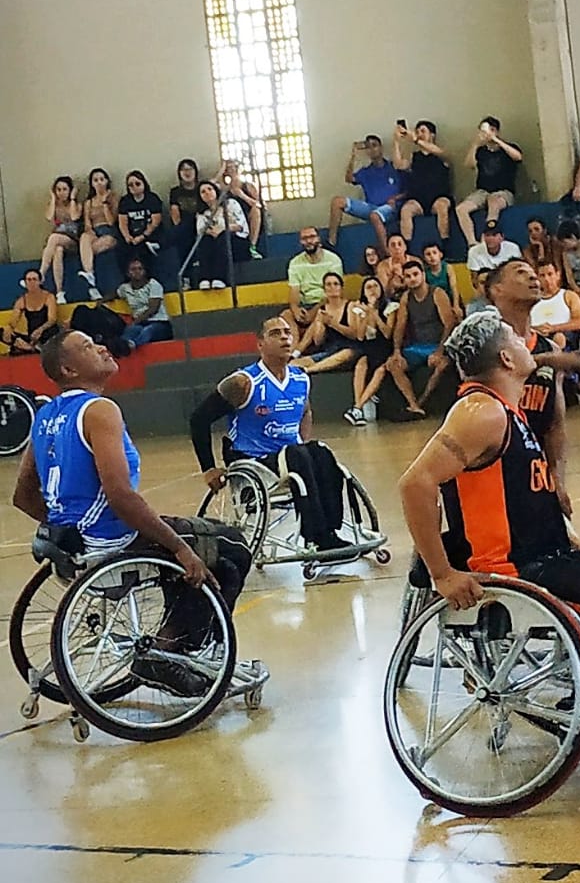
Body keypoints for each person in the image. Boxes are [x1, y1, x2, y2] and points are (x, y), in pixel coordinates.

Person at [398, 311, 580, 741]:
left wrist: (569, 539)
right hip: (513, 570)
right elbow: (415, 484)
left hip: (544, 556)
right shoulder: (480, 413)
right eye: (516, 339)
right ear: (505, 357)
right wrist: (443, 573)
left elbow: (517, 499)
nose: (525, 342)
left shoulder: (507, 411)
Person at [15, 328, 255, 696]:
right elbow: (121, 497)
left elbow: (23, 495)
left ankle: (172, 640)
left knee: (201, 538)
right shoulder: (98, 410)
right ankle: (168, 654)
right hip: (111, 540)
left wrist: (65, 526)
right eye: (87, 346)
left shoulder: (46, 413)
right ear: (68, 369)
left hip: (73, 544)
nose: (100, 345)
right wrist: (180, 549)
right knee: (229, 549)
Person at [189, 317, 355, 555]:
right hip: (253, 461)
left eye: (288, 332)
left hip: (289, 457)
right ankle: (316, 537)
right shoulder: (243, 382)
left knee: (320, 451)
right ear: (260, 344)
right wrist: (209, 468)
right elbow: (198, 419)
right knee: (298, 455)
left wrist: (302, 441)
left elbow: (306, 411)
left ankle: (331, 531)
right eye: (276, 333)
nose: (285, 337)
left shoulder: (300, 378)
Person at [488, 258, 580, 513]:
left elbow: (556, 425)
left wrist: (558, 480)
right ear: (497, 289)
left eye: (533, 274)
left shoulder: (550, 348)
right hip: (492, 477)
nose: (533, 278)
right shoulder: (485, 342)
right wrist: (542, 360)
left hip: (536, 478)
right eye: (521, 273)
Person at [387, 257, 455, 415]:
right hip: (417, 347)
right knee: (393, 365)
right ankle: (413, 405)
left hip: (438, 345)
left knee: (442, 366)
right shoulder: (405, 297)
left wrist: (440, 351)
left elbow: (450, 324)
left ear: (423, 275)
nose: (412, 279)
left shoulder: (438, 293)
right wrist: (396, 351)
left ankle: (422, 401)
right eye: (408, 276)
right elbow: (400, 326)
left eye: (415, 274)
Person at [455, 115, 523, 249]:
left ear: (494, 130)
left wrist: (496, 140)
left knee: (493, 201)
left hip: (503, 191)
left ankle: (485, 238)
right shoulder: (481, 151)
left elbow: (518, 157)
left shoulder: (509, 147)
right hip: (482, 191)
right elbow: (469, 164)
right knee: (461, 209)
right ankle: (472, 242)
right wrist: (475, 144)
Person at [329, 135, 401, 251]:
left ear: (381, 147)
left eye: (374, 146)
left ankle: (386, 251)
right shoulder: (366, 171)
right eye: (368, 147)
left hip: (391, 208)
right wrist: (353, 155)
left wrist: (395, 198)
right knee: (337, 202)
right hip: (371, 207)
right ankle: (331, 242)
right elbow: (349, 178)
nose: (372, 150)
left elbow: (408, 189)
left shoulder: (393, 167)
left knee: (375, 215)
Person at [344, 276, 396, 425]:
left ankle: (357, 408)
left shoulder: (390, 307)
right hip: (368, 348)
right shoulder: (359, 309)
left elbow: (387, 334)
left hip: (385, 347)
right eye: (368, 287)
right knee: (361, 364)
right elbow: (360, 336)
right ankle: (358, 407)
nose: (372, 290)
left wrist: (374, 313)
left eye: (375, 286)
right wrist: (366, 314)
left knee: (380, 370)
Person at [393, 119, 454, 244]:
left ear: (432, 135)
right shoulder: (414, 156)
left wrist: (416, 139)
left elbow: (441, 153)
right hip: (418, 199)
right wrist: (396, 141)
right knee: (406, 210)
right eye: (417, 131)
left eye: (423, 131)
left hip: (439, 196)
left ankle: (446, 246)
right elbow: (399, 165)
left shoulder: (440, 153)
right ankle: (407, 247)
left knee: (442, 207)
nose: (419, 133)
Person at [291, 272, 360, 373]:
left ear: (341, 288)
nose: (332, 287)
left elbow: (354, 334)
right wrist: (321, 325)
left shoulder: (350, 306)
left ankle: (309, 370)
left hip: (348, 349)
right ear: (324, 289)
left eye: (336, 284)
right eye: (328, 284)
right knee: (293, 364)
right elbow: (318, 341)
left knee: (346, 354)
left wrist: (333, 324)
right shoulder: (322, 310)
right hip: (329, 351)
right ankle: (299, 358)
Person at [192, 179, 249, 289]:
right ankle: (205, 278)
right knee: (205, 240)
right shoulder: (202, 214)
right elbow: (200, 230)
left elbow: (240, 225)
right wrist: (212, 232)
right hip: (214, 242)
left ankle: (220, 278)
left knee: (223, 237)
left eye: (210, 189)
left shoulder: (231, 204)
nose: (207, 193)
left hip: (236, 241)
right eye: (203, 192)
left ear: (215, 190)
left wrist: (222, 229)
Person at [286, 226, 344, 335]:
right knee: (286, 316)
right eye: (304, 238)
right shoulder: (295, 263)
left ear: (318, 238)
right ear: (300, 242)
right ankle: (293, 348)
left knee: (320, 316)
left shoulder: (333, 260)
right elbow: (294, 291)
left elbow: (334, 292)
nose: (308, 241)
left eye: (312, 237)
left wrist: (314, 311)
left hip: (327, 303)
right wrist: (295, 309)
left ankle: (298, 350)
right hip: (306, 304)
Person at [78, 167, 121, 301]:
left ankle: (91, 281)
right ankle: (90, 275)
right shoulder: (88, 202)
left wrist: (104, 203)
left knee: (87, 251)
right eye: (96, 180)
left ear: (107, 181)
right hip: (94, 232)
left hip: (109, 231)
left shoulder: (113, 197)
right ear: (92, 183)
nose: (99, 183)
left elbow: (111, 221)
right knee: (84, 237)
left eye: (102, 179)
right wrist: (90, 231)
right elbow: (87, 223)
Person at [39, 176, 82, 302]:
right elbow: (49, 217)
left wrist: (73, 198)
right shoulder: (54, 205)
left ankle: (41, 273)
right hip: (58, 241)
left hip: (73, 240)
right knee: (57, 251)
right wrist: (52, 199)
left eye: (64, 189)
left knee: (53, 238)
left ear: (70, 190)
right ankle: (60, 292)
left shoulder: (77, 204)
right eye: (58, 189)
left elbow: (74, 217)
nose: (61, 192)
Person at [117, 257, 171, 352]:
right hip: (140, 323)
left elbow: (153, 309)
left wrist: (135, 321)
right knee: (130, 331)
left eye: (140, 269)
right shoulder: (125, 288)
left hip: (159, 323)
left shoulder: (154, 284)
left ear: (145, 271)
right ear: (128, 273)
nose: (137, 272)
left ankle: (133, 345)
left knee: (147, 331)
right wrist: (101, 301)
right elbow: (114, 293)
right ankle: (121, 347)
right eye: (133, 269)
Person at [215, 160, 266, 257]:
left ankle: (252, 246)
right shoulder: (224, 188)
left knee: (256, 211)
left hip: (247, 216)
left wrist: (242, 195)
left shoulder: (249, 185)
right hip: (233, 219)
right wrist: (220, 172)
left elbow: (258, 204)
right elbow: (211, 183)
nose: (233, 170)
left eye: (235, 166)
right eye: (229, 168)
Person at [2, 269, 58, 356]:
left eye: (34, 279)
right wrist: (8, 329)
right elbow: (13, 321)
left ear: (40, 282)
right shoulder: (22, 300)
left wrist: (40, 330)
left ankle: (32, 347)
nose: (31, 282)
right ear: (25, 282)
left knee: (50, 333)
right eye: (29, 280)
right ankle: (29, 347)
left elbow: (52, 319)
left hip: (47, 332)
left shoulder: (49, 297)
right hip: (32, 336)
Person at [116, 170, 165, 269]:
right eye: (130, 185)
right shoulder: (125, 201)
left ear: (144, 184)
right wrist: (127, 237)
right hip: (131, 236)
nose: (134, 187)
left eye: (137, 183)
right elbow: (122, 222)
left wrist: (143, 236)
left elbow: (156, 221)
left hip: (149, 235)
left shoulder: (152, 198)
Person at [529, 260, 580, 343]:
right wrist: (537, 329)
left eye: (550, 274)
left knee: (559, 337)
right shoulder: (531, 299)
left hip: (564, 336)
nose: (547, 279)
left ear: (558, 275)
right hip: (537, 337)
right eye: (542, 275)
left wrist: (553, 328)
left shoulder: (569, 295)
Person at [167, 158, 204, 265]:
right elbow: (174, 212)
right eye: (183, 170)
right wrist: (179, 228)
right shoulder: (175, 192)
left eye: (190, 169)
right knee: (181, 232)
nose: (187, 172)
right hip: (184, 225)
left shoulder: (202, 188)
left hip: (201, 221)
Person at [420, 240, 463, 321]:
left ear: (440, 254)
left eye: (434, 253)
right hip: (434, 302)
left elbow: (454, 287)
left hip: (450, 298)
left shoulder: (447, 267)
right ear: (424, 258)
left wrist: (456, 305)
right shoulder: (424, 272)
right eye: (428, 254)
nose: (432, 257)